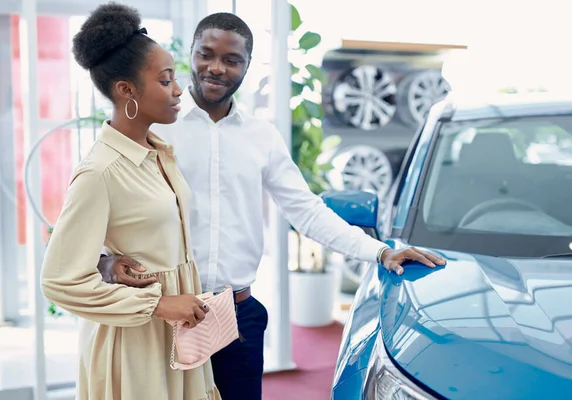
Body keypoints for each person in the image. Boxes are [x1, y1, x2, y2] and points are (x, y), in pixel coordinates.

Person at [97, 12, 446, 400]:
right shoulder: (155, 126)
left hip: (237, 315)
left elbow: (306, 210)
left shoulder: (261, 136)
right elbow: (107, 204)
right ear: (190, 56)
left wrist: (380, 251)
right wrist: (103, 257)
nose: (216, 68)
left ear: (247, 65)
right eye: (206, 54)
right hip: (166, 312)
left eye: (232, 60)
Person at [40, 3, 220, 400]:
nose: (178, 90)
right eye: (165, 80)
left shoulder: (160, 152)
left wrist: (109, 259)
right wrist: (158, 304)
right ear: (127, 91)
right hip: (133, 346)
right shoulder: (99, 172)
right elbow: (59, 281)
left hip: (179, 336)